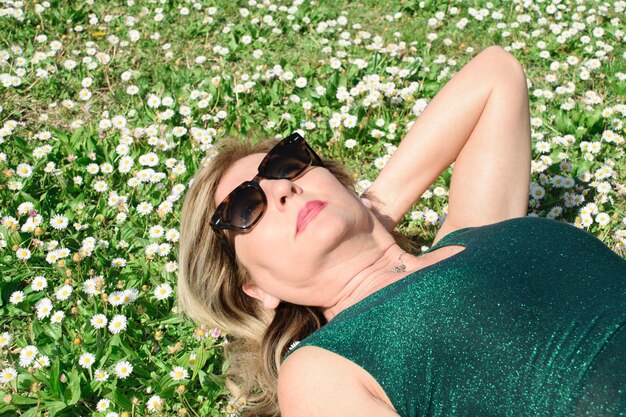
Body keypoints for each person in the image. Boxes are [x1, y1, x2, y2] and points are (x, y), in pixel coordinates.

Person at [177, 45, 626, 417]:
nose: (281, 187)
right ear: (255, 287)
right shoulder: (323, 369)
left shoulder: (475, 229)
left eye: (286, 164)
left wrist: (371, 208)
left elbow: (497, 74)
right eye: (244, 206)